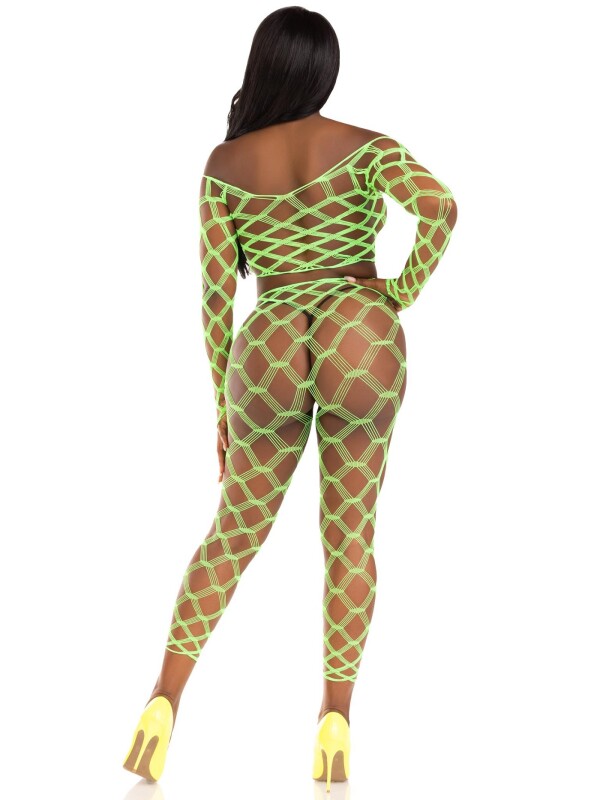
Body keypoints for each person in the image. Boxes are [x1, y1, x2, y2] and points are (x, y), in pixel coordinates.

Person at [123, 5, 458, 791]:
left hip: (268, 342)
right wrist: (393, 296)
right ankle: (334, 723)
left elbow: (215, 301)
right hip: (359, 334)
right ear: (323, 72)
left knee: (233, 534)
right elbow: (440, 208)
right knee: (349, 536)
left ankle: (162, 703)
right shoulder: (367, 148)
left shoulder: (224, 165)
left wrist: (222, 410)